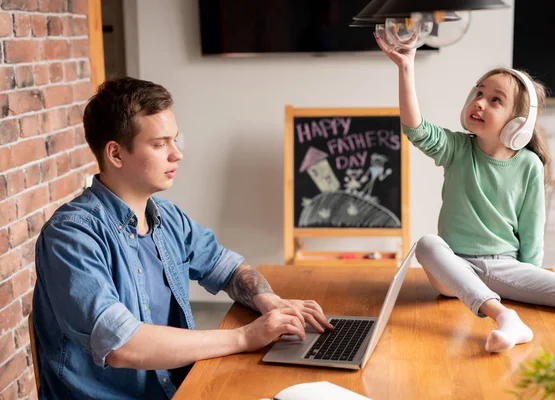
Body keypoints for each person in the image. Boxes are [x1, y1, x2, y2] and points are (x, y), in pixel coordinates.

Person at [32, 77, 334, 399]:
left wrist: (270, 302)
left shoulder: (167, 217)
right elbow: (122, 344)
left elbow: (228, 268)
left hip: (184, 389)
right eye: (160, 144)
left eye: (175, 141)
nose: (177, 155)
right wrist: (245, 338)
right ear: (116, 154)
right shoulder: (72, 236)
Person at [375, 33, 555, 353]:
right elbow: (416, 128)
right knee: (427, 244)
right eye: (478, 93)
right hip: (454, 271)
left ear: (518, 124)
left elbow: (532, 234)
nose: (479, 102)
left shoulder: (529, 165)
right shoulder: (456, 149)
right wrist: (406, 67)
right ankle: (503, 316)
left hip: (506, 268)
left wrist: (530, 284)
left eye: (495, 100)